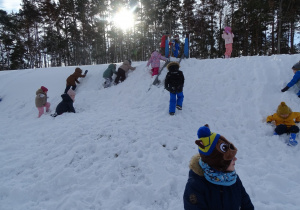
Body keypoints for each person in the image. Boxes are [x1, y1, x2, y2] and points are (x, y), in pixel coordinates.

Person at [183, 124, 254, 210]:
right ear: (216, 161)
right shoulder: (196, 185)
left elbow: (246, 204)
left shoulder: (232, 178)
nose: (235, 159)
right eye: (230, 158)